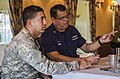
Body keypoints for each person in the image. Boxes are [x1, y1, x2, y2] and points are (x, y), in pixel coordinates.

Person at [1, 5, 93, 79]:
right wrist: (77, 65)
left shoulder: (30, 39)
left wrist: (43, 75)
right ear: (30, 23)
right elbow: (45, 66)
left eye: (45, 18)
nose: (45, 22)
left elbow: (34, 64)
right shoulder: (23, 42)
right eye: (41, 19)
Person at [40, 4, 117, 64]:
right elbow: (56, 57)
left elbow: (86, 48)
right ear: (53, 19)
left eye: (67, 16)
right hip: (58, 70)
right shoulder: (47, 35)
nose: (66, 20)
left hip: (76, 66)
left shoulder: (72, 30)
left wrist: (101, 41)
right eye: (62, 18)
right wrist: (83, 60)